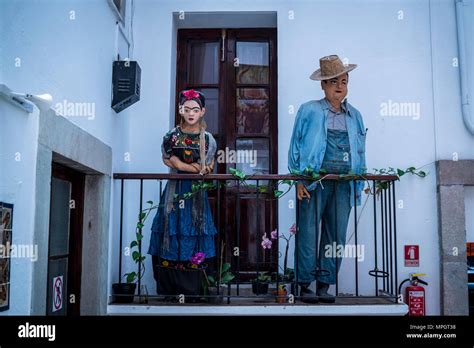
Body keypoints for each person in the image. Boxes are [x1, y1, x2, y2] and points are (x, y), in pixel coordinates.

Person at [288, 55, 367, 303]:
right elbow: (295, 148)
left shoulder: (355, 116)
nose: (339, 86)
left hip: (344, 184)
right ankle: (304, 285)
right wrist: (299, 180)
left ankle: (324, 283)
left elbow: (361, 150)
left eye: (344, 81)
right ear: (323, 85)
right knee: (308, 232)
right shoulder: (309, 110)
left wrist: (359, 182)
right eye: (333, 82)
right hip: (313, 182)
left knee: (336, 235)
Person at [148, 89, 217, 296]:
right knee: (172, 225)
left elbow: (208, 164)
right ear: (180, 110)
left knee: (195, 225)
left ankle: (194, 286)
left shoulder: (208, 139)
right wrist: (191, 167)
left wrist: (183, 164)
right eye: (186, 109)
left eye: (195, 109)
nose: (190, 113)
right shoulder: (171, 136)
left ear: (202, 111)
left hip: (195, 191)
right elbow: (168, 159)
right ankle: (170, 285)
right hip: (175, 188)